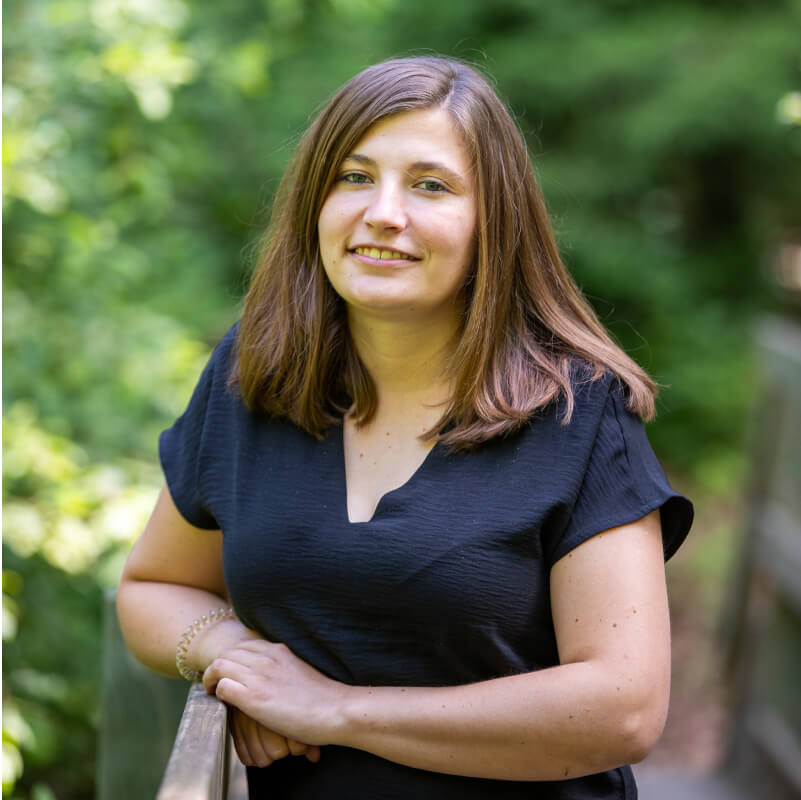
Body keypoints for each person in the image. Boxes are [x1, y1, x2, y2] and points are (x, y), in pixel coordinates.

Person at [117, 55, 693, 799]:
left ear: (494, 221)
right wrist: (235, 655)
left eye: (430, 185)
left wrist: (336, 711)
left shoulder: (578, 412)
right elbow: (152, 586)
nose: (382, 212)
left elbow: (624, 710)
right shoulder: (254, 379)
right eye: (353, 177)